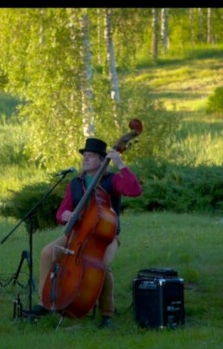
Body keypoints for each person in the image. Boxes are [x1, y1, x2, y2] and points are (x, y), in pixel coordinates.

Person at [29, 137, 142, 328]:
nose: (86, 158)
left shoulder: (111, 180)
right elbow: (61, 212)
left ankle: (107, 314)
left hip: (105, 238)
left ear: (101, 160)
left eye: (91, 156)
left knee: (102, 265)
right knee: (47, 252)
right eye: (85, 155)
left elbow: (134, 190)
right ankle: (44, 303)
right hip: (77, 235)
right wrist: (64, 215)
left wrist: (120, 163)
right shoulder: (75, 183)